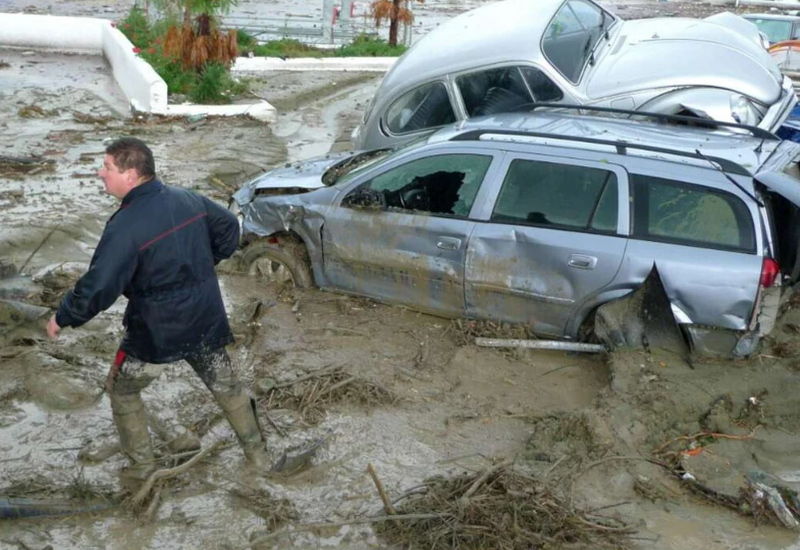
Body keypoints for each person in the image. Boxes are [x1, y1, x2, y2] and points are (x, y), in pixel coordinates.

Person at [46, 137, 268, 490]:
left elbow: (99, 286)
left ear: (131, 175)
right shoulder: (188, 199)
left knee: (122, 390)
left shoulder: (125, 226)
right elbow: (229, 228)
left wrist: (63, 316)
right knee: (226, 387)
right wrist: (203, 266)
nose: (99, 173)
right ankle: (259, 458)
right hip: (204, 320)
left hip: (154, 332)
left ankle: (142, 471)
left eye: (106, 167)